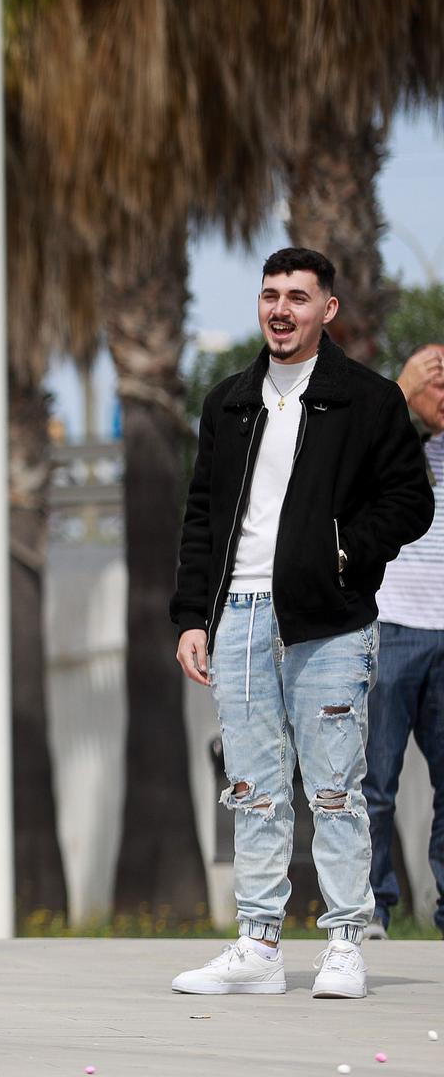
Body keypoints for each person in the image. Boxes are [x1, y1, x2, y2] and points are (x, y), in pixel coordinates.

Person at [169, 247, 431, 999]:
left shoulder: (367, 399)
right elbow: (200, 517)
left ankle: (346, 939)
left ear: (328, 310)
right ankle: (257, 944)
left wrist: (347, 551)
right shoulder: (228, 400)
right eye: (270, 295)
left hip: (329, 618)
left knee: (335, 787)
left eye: (298, 296)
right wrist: (194, 615)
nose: (280, 309)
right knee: (251, 787)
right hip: (240, 616)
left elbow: (410, 501)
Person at [360, 346, 444, 940]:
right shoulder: (386, 445)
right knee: (376, 787)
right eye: (432, 381)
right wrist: (399, 386)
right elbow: (349, 444)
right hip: (392, 630)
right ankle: (373, 909)